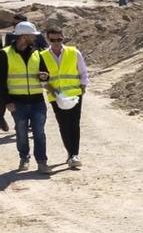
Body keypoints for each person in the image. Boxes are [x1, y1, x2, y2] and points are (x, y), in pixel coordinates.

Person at [40, 21, 87, 170]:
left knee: (74, 124)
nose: (56, 43)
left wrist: (83, 88)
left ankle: (74, 154)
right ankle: (70, 153)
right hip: (56, 96)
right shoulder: (42, 56)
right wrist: (52, 91)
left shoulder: (74, 52)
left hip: (74, 95)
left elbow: (83, 72)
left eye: (59, 39)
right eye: (52, 40)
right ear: (47, 39)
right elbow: (42, 79)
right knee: (63, 125)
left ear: (63, 38)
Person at [6, 21, 51, 172]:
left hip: (37, 101)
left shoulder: (38, 53)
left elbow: (45, 74)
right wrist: (7, 101)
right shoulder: (5, 54)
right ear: (24, 37)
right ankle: (24, 157)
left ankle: (42, 161)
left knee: (39, 132)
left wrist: (44, 76)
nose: (35, 38)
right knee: (21, 133)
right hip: (17, 102)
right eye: (32, 35)